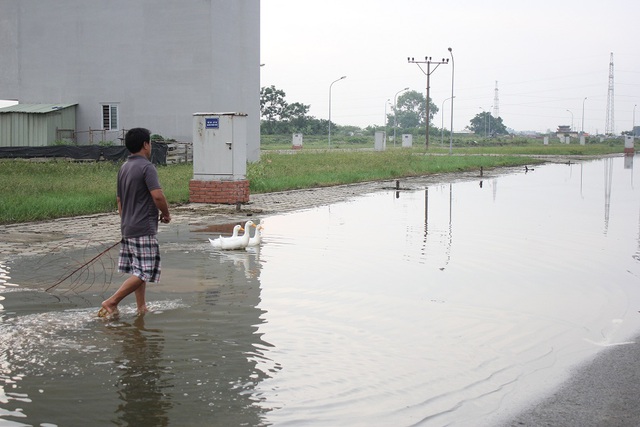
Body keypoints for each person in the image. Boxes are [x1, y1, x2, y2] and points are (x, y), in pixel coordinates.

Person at [98, 127, 171, 317]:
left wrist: (126, 222)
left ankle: (141, 307)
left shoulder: (124, 167)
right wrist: (166, 214)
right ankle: (111, 302)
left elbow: (119, 201)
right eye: (150, 143)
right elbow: (158, 196)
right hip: (143, 228)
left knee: (139, 270)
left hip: (128, 227)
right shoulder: (147, 167)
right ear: (145, 145)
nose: (151, 146)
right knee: (146, 271)